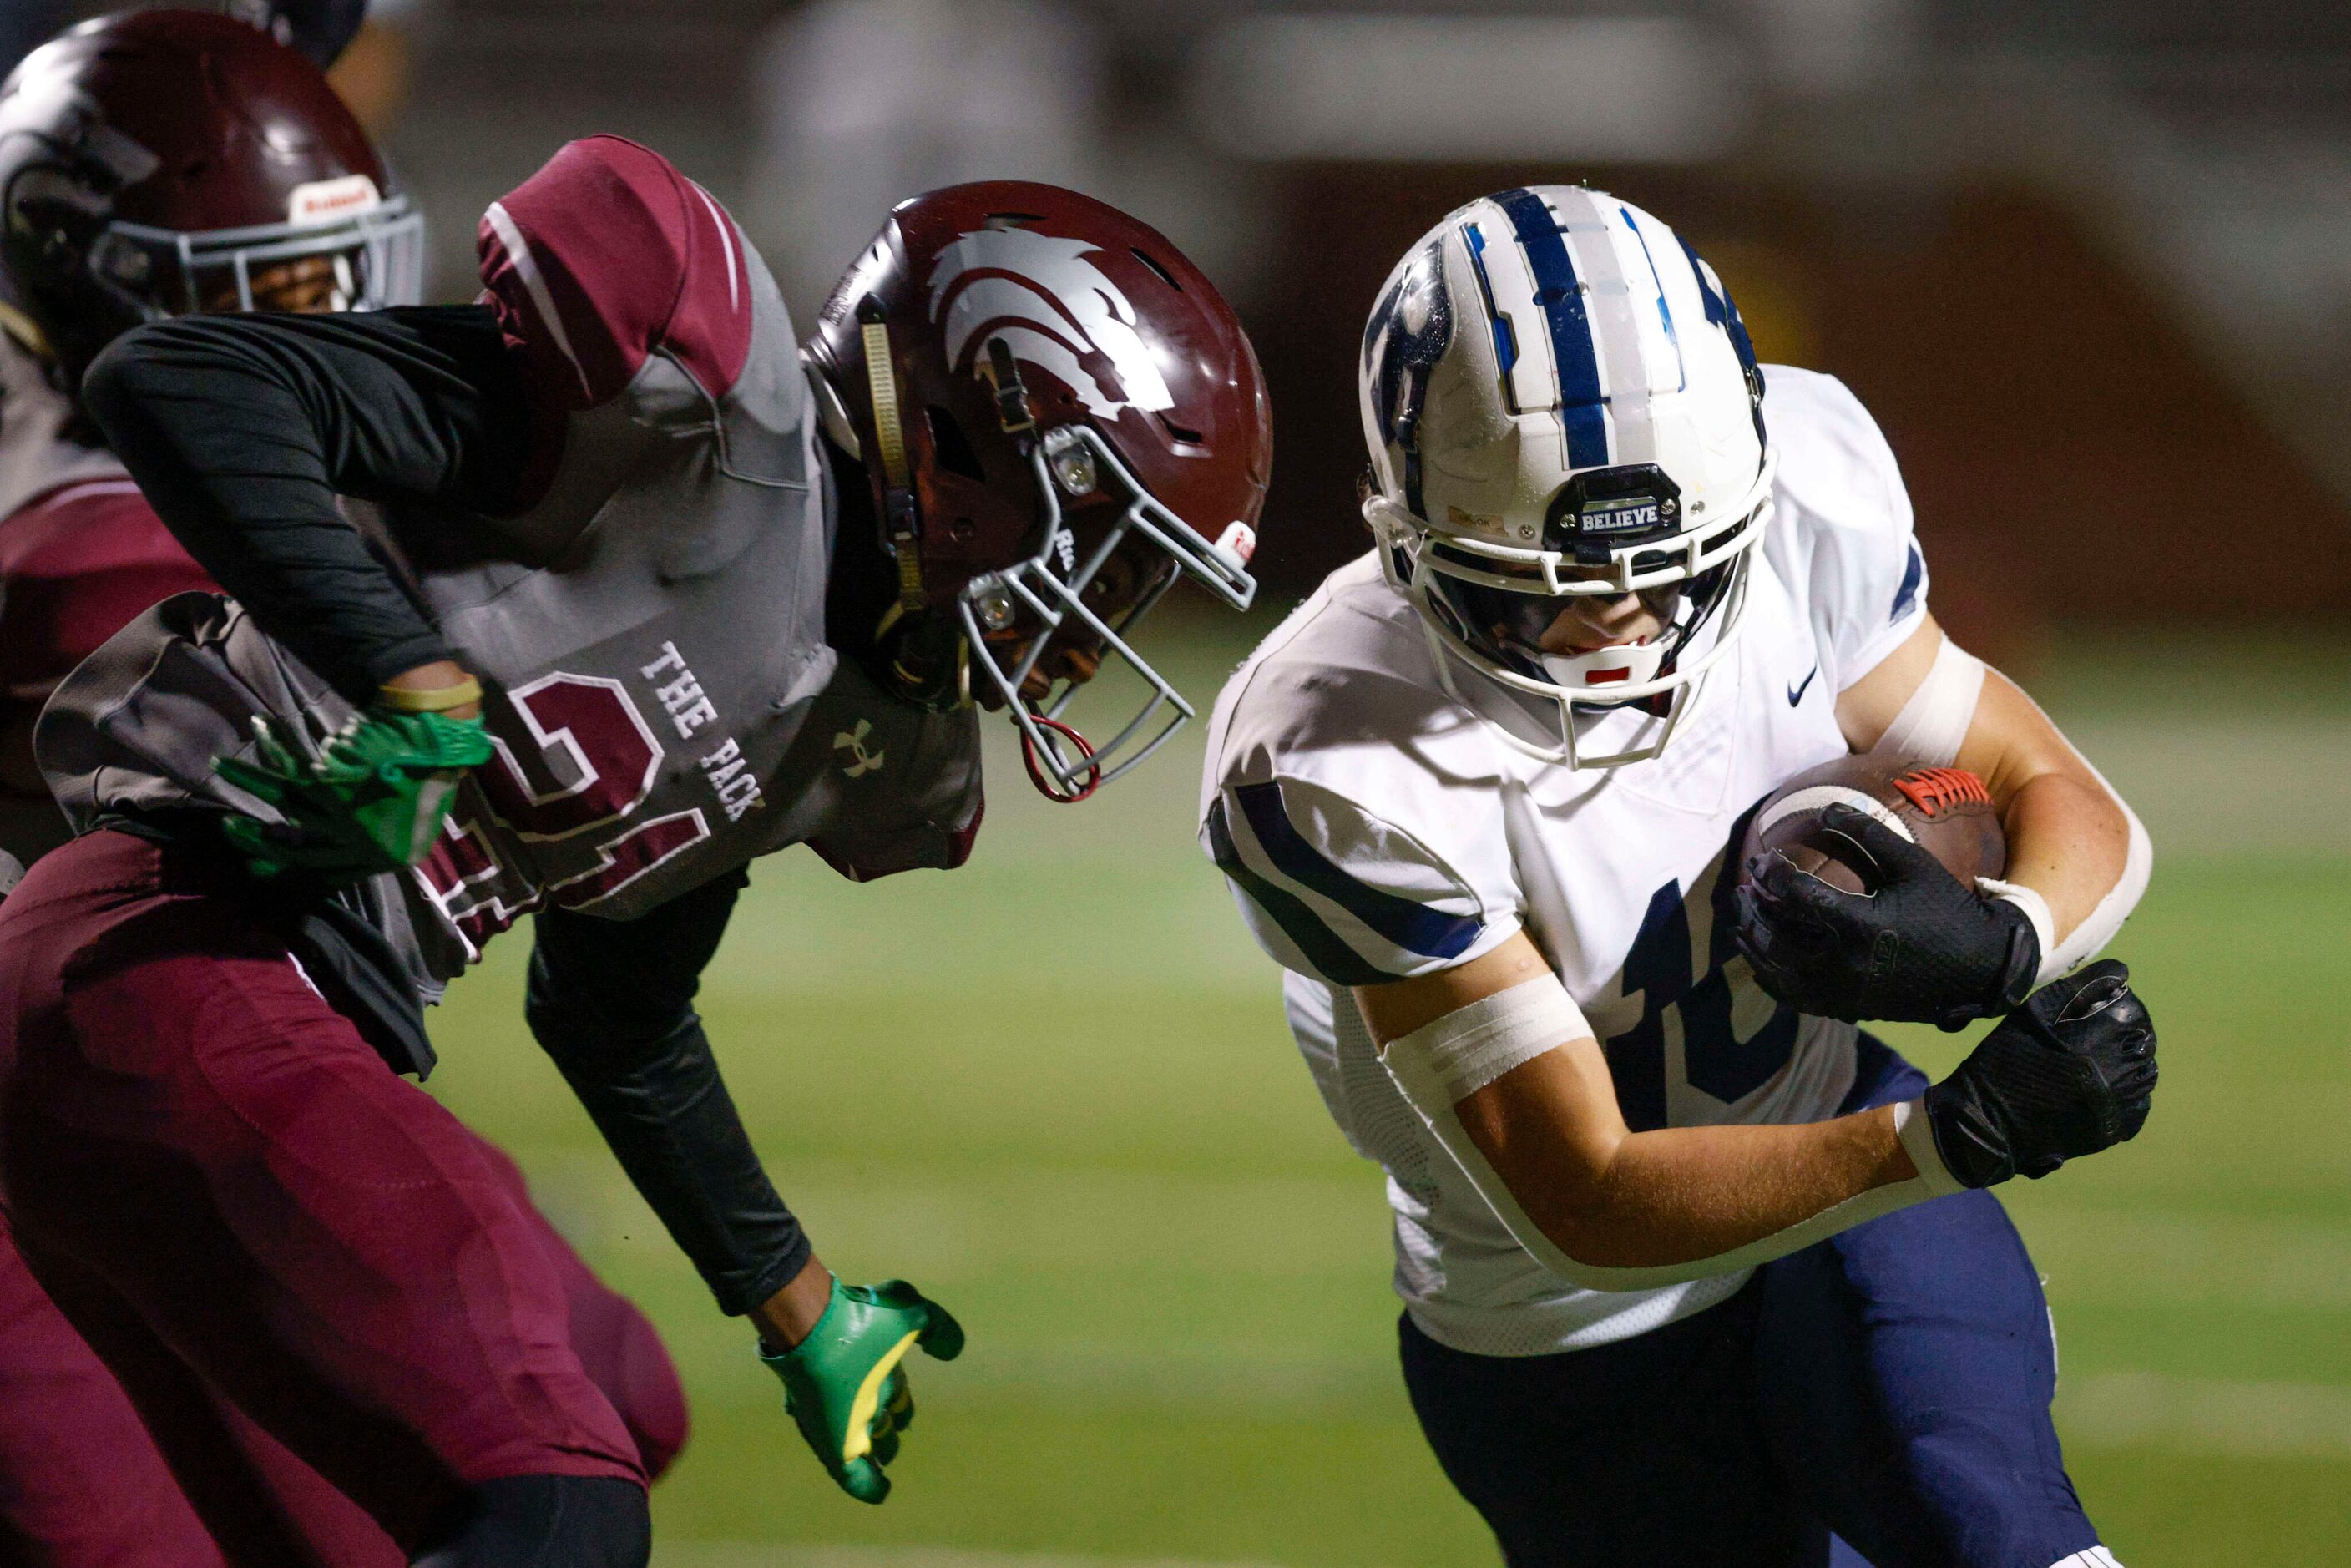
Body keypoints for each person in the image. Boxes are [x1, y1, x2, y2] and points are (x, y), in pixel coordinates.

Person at [0, 11, 1270, 1561]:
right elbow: (183, 376)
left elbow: (616, 1007)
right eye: (1104, 551)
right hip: (176, 940)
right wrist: (407, 672)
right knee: (551, 1497)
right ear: (949, 448)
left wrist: (795, 1298)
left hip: (247, 1026)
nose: (1099, 623)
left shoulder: (872, 743)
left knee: (560, 1434)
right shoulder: (686, 420)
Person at [1201, 186, 2154, 1568]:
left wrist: (2006, 939)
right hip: (1568, 1330)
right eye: (1547, 586)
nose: (1621, 630)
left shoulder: (1805, 483)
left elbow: (2058, 791)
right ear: (1406, 519)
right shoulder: (1331, 755)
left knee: (2010, 1540)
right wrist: (1960, 1137)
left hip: (1848, 1169)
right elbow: (1582, 1190)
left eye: (1675, 574)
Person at [0, 13, 686, 1565]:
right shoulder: (89, 535)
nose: (333, 331)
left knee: (624, 1397)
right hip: (79, 1079)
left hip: (184, 1024)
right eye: (284, 296)